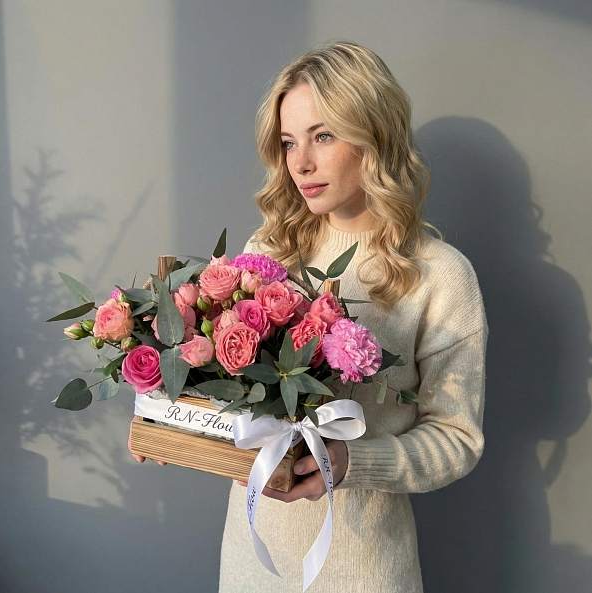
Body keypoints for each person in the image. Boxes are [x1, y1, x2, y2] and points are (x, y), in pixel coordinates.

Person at [129, 40, 488, 593]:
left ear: (374, 136)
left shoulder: (440, 276)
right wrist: (175, 425)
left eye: (323, 136)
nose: (300, 163)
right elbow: (233, 396)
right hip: (252, 561)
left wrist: (349, 462)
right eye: (288, 141)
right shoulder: (267, 253)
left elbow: (456, 439)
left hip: (365, 571)